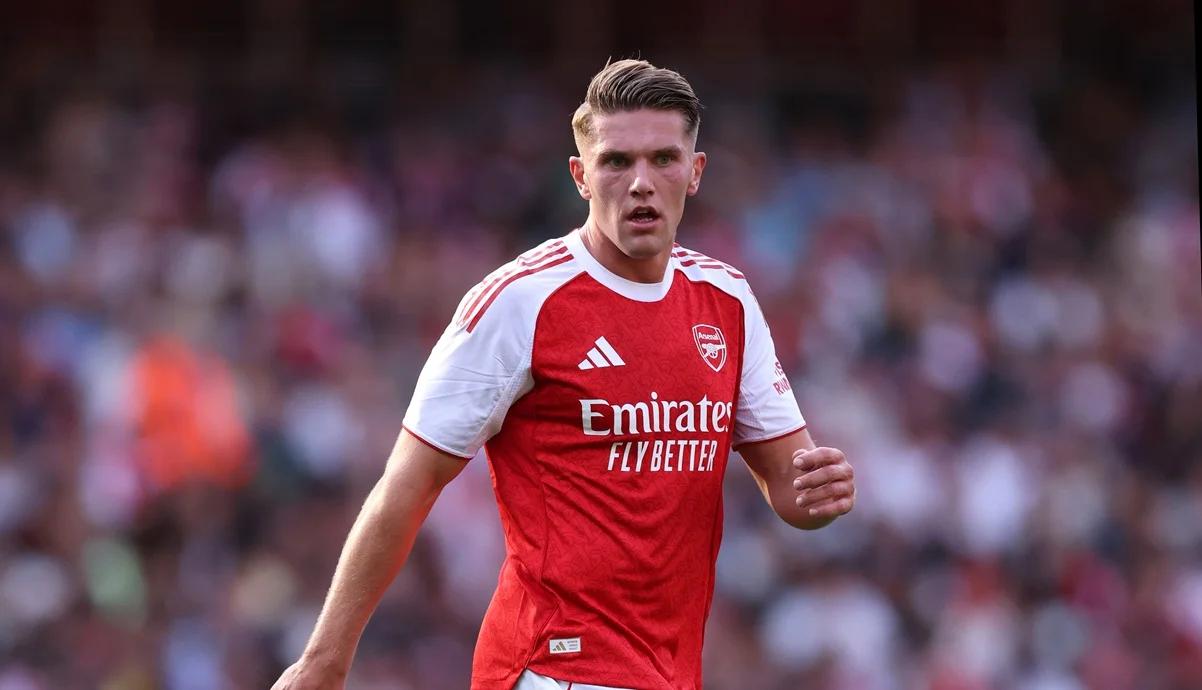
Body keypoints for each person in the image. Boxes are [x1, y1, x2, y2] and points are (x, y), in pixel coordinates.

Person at [272, 58, 857, 690]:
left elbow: (788, 484)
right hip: (553, 667)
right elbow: (408, 484)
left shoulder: (727, 300)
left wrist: (818, 496)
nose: (641, 183)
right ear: (581, 176)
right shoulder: (519, 302)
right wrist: (324, 660)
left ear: (695, 172)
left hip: (668, 672)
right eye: (616, 162)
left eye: (663, 159)